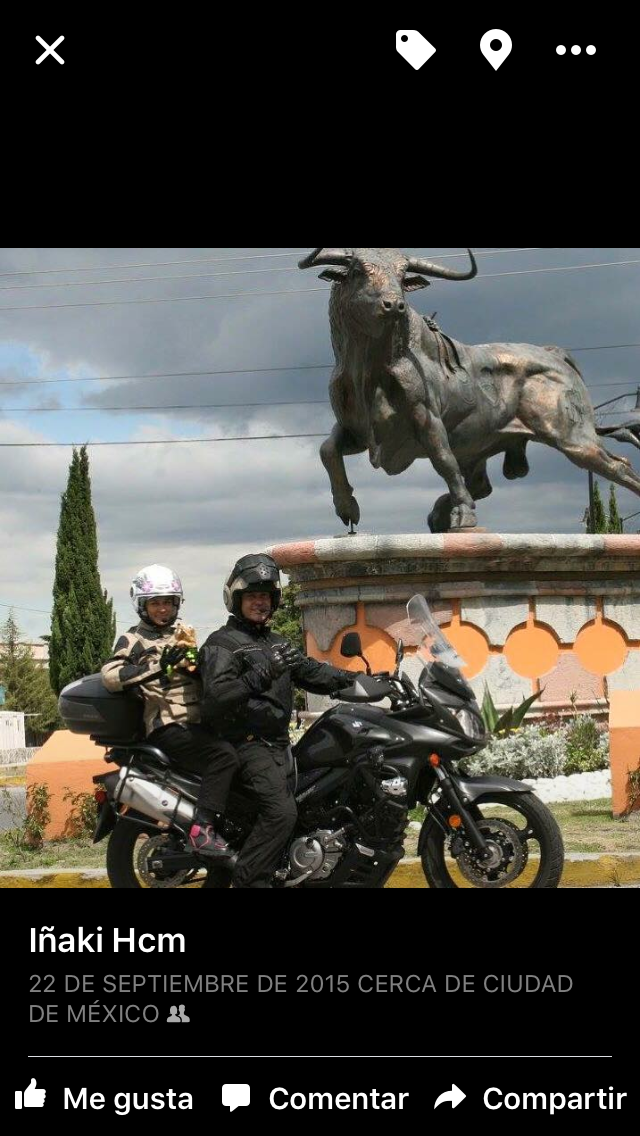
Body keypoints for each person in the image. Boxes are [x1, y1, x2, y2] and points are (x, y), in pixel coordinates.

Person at [199, 553, 358, 888]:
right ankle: (249, 880)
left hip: (277, 746)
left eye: (266, 597)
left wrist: (356, 679)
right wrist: (261, 674)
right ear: (237, 599)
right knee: (281, 813)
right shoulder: (222, 644)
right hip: (245, 745)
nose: (260, 603)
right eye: (253, 596)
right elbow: (216, 698)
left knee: (302, 808)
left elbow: (310, 671)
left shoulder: (276, 642)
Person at [101, 564, 238, 858]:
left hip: (197, 721)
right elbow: (111, 676)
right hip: (167, 725)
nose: (163, 609)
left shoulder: (183, 634)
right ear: (143, 606)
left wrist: (199, 666)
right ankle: (202, 830)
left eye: (168, 602)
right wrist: (158, 666)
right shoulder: (133, 638)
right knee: (223, 756)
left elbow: (193, 675)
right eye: (155, 603)